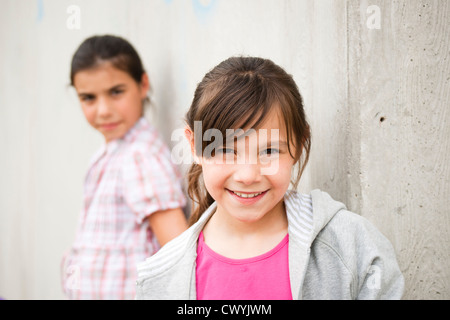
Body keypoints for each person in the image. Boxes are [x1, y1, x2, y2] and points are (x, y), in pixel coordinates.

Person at [135, 56, 404, 300]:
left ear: (298, 145)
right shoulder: (162, 279)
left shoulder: (353, 248)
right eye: (226, 150)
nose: (248, 175)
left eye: (269, 151)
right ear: (194, 147)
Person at [61, 35, 188, 299]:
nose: (104, 110)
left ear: (143, 84)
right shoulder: (111, 154)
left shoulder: (140, 156)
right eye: (88, 98)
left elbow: (179, 252)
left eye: (116, 92)